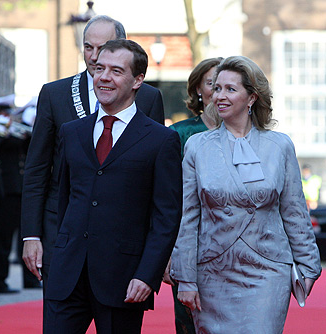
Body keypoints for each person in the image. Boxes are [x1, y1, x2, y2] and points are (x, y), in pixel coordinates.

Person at [170, 56, 322, 333]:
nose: (220, 96)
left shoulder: (279, 146)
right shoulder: (196, 147)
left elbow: (294, 212)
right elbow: (188, 217)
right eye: (217, 88)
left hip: (267, 272)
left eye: (230, 89)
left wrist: (310, 266)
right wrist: (186, 278)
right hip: (212, 272)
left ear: (251, 97)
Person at [44, 39, 182, 333]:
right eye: (99, 68)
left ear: (137, 81)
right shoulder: (72, 132)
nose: (103, 77)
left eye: (116, 71)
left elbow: (166, 216)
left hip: (124, 280)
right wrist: (58, 254)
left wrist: (147, 275)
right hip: (67, 277)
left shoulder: (160, 140)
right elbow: (65, 201)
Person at [22, 15, 165, 291]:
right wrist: (31, 234)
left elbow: (155, 180)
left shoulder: (147, 97)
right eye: (88, 47)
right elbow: (37, 169)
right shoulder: (55, 94)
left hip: (121, 241)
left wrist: (154, 253)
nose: (95, 56)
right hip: (61, 234)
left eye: (103, 48)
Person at [164, 57, 222, 334]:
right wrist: (166, 254)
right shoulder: (179, 134)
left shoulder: (249, 136)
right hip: (189, 249)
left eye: (228, 85)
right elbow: (166, 199)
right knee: (191, 325)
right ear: (198, 88)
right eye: (212, 83)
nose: (219, 91)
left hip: (237, 250)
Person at [0, 95, 40, 293]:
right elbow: (7, 145)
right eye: (2, 112)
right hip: (5, 190)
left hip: (20, 189)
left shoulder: (16, 132)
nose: (7, 117)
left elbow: (31, 145)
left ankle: (30, 278)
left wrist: (30, 125)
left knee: (26, 237)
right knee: (2, 238)